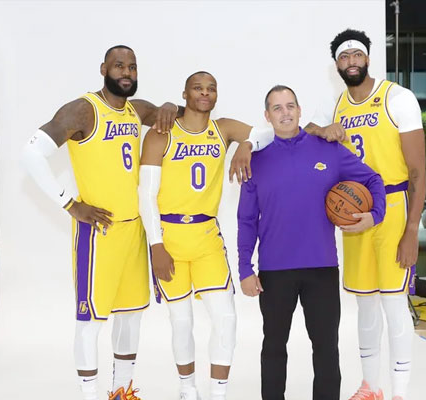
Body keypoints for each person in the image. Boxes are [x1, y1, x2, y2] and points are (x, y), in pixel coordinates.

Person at [231, 29, 426, 400]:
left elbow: (402, 173)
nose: (350, 60)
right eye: (343, 56)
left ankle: (398, 392)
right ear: (336, 63)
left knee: (391, 305)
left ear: (368, 58)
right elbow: (296, 132)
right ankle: (371, 387)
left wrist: (407, 226)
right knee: (364, 303)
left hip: (383, 214)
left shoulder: (397, 98)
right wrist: (248, 142)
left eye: (356, 54)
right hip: (326, 235)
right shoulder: (333, 107)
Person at [22, 45, 180, 400]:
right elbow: (31, 153)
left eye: (133, 67)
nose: (127, 72)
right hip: (99, 234)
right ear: (103, 69)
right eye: (119, 65)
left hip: (134, 229)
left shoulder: (135, 110)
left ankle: (121, 392)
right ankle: (89, 395)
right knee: (90, 321)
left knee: (130, 317)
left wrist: (170, 105)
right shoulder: (83, 110)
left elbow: (171, 114)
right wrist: (70, 204)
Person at [237, 85, 386, 400]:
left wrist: (375, 214)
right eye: (277, 108)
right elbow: (246, 220)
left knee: (326, 348)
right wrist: (244, 269)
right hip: (275, 271)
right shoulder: (257, 160)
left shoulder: (326, 150)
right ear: (267, 116)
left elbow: (373, 179)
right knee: (274, 347)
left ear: (300, 110)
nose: (285, 113)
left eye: (290, 105)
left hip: (321, 268)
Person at [138, 71, 270, 400]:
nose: (205, 93)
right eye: (198, 88)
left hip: (207, 235)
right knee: (181, 320)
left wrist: (247, 143)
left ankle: (218, 394)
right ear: (185, 93)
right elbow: (145, 196)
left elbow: (269, 132)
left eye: (211, 89)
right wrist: (155, 245)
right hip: (169, 237)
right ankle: (187, 390)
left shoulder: (222, 128)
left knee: (225, 316)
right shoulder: (161, 134)